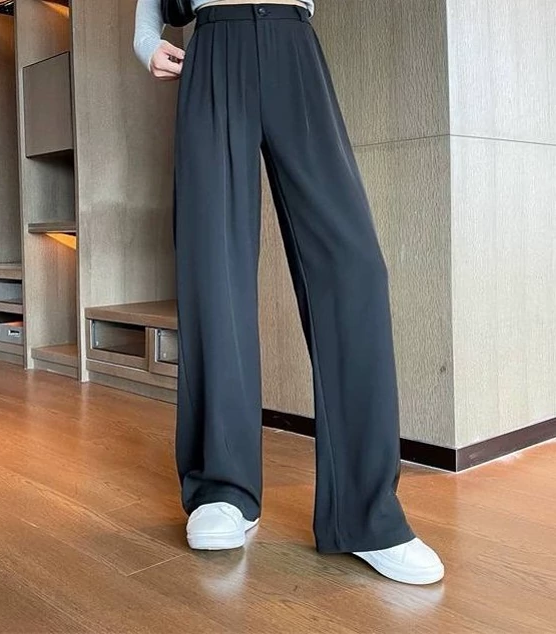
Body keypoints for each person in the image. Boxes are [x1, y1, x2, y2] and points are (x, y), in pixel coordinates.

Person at [133, 0, 445, 585]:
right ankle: (223, 489)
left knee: (355, 269)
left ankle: (366, 513)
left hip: (292, 40)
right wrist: (145, 38)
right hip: (213, 43)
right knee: (213, 269)